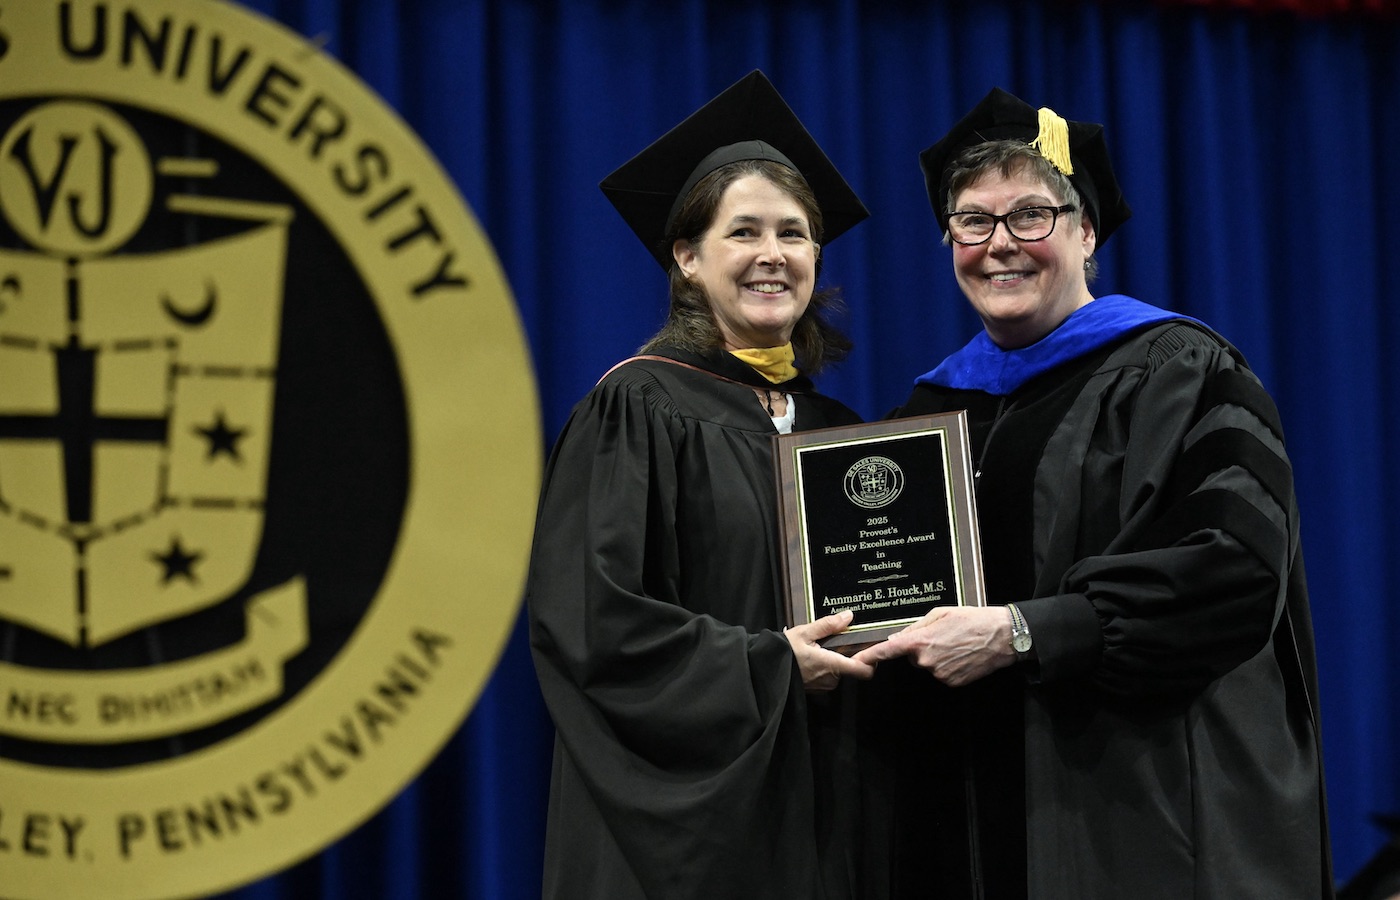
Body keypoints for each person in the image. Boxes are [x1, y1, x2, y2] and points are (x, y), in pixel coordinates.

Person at [854, 88, 1333, 899]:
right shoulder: (926, 417)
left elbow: (1235, 573)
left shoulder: (1182, 372)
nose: (1000, 244)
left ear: (1085, 232)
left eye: (1031, 215)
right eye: (974, 221)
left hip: (1141, 820)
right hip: (966, 827)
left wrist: (1025, 634)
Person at [526, 70, 875, 900]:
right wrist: (769, 665)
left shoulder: (842, 431)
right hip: (687, 838)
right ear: (687, 258)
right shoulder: (637, 406)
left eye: (794, 233)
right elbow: (590, 618)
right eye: (743, 231)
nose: (772, 255)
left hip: (829, 812)